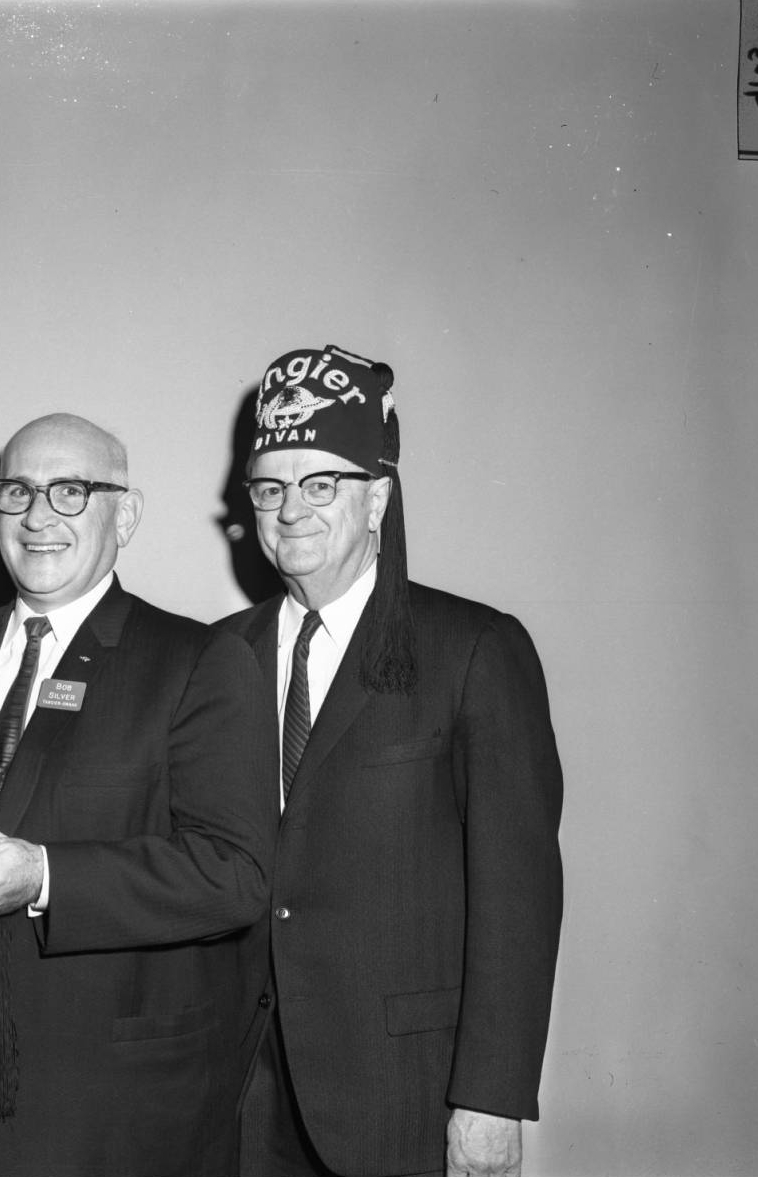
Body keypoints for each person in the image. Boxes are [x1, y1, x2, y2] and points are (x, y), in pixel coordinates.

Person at [0, 413, 273, 1177]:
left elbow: (235, 874)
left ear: (124, 515)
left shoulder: (200, 660)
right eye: (18, 491)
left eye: (72, 491)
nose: (39, 517)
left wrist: (44, 876)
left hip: (108, 1110)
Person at [219, 345, 563, 1177]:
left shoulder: (475, 649)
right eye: (270, 487)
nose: (291, 509)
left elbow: (519, 896)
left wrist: (490, 1096)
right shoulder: (223, 655)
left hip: (404, 1095)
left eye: (320, 483)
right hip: (246, 1097)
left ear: (378, 497)